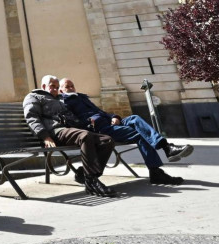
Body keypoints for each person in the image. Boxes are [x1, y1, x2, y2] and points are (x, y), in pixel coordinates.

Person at [59, 78, 193, 185]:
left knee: (134, 118)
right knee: (140, 135)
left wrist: (114, 117)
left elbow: (101, 112)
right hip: (101, 129)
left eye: (72, 85)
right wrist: (90, 122)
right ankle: (157, 168)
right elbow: (73, 120)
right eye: (67, 86)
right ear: (61, 90)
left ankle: (166, 148)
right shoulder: (64, 101)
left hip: (109, 123)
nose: (71, 88)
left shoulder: (82, 97)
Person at [23, 75, 117, 197]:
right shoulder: (33, 97)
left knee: (107, 140)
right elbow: (32, 118)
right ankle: (91, 182)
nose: (55, 90)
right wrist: (45, 136)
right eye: (52, 87)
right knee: (85, 136)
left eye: (57, 87)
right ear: (44, 86)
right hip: (55, 132)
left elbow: (71, 117)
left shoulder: (60, 98)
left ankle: (85, 175)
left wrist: (86, 123)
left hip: (69, 131)